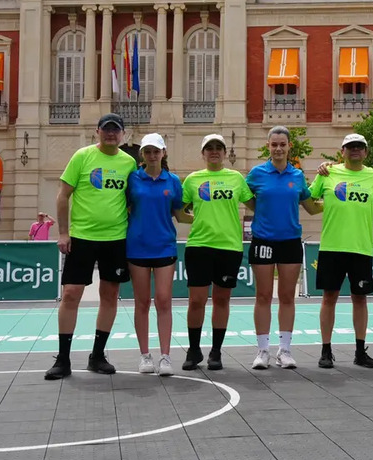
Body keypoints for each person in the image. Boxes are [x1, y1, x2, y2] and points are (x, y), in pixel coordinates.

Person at [45, 113, 137, 380]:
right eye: (106, 129)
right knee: (71, 294)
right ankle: (63, 359)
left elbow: (133, 200)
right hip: (82, 238)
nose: (111, 134)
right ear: (97, 131)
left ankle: (97, 356)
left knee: (110, 296)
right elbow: (63, 195)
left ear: (123, 134)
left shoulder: (129, 162)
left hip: (116, 239)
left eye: (116, 130)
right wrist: (63, 233)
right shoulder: (82, 156)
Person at [245, 126, 322, 370]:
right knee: (264, 296)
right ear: (268, 146)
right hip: (263, 242)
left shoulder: (297, 176)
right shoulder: (256, 175)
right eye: (274, 144)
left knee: (288, 296)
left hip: (290, 242)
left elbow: (311, 206)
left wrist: (336, 197)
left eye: (282, 144)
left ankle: (285, 350)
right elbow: (249, 202)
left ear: (289, 147)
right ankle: (262, 351)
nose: (278, 148)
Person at [180, 134, 254, 371]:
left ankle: (216, 352)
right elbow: (180, 212)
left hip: (229, 248)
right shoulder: (192, 180)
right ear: (203, 153)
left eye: (218, 148)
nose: (214, 151)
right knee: (196, 301)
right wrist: (200, 219)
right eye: (209, 148)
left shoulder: (236, 179)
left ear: (224, 153)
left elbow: (256, 205)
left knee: (222, 300)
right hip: (199, 246)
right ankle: (193, 351)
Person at [309, 133, 373, 369]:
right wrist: (326, 205)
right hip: (332, 247)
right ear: (342, 151)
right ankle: (326, 351)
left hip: (361, 248)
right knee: (328, 298)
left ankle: (360, 351)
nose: (355, 150)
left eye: (360, 147)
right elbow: (309, 202)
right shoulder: (327, 173)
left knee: (359, 299)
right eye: (350, 147)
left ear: (366, 152)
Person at [126, 133, 191, 376]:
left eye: (156, 151)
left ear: (163, 153)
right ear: (142, 154)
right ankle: (145, 356)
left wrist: (208, 219)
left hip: (165, 246)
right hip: (137, 247)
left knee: (164, 300)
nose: (152, 155)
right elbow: (124, 207)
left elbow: (180, 213)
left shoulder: (173, 181)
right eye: (148, 151)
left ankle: (165, 356)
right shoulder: (132, 179)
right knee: (142, 302)